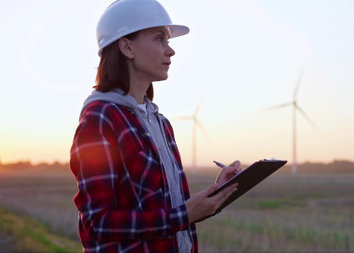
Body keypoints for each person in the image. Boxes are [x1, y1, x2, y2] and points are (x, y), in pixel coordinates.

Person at [69, 0, 239, 252]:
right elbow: (98, 223)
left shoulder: (160, 123)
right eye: (160, 39)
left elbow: (166, 211)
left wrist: (213, 195)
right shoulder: (100, 119)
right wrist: (183, 216)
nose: (170, 51)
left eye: (168, 41)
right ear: (127, 47)